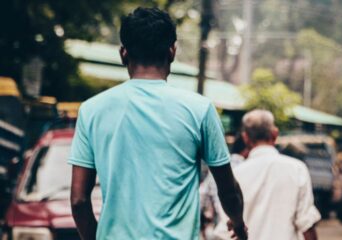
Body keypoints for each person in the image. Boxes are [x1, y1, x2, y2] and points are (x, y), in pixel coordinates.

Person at [69, 7, 247, 240]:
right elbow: (228, 190)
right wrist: (238, 223)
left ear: (123, 54)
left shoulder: (92, 110)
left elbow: (79, 200)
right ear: (172, 51)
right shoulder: (199, 109)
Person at [214, 109, 320, 240]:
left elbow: (225, 231)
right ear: (275, 134)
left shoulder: (235, 174)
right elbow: (306, 224)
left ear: (245, 137)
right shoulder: (296, 169)